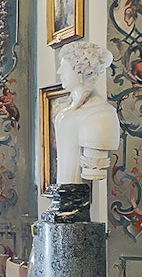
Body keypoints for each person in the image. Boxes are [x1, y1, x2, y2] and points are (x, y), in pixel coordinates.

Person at [46, 41, 121, 222]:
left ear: (80, 73)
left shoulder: (101, 115)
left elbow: (93, 173)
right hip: (61, 201)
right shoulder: (67, 112)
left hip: (75, 204)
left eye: (64, 67)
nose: (59, 72)